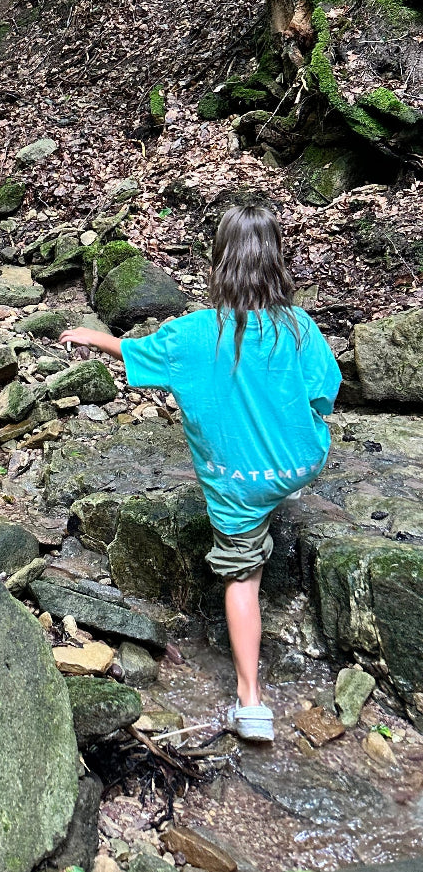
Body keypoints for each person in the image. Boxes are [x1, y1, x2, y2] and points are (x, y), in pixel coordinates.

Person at [60, 201, 341, 743]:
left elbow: (134, 351)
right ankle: (270, 488)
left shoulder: (193, 335)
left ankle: (251, 702)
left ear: (219, 265)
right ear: (275, 263)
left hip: (238, 482)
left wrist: (91, 337)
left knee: (243, 579)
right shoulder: (300, 327)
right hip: (302, 463)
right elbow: (323, 396)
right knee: (273, 434)